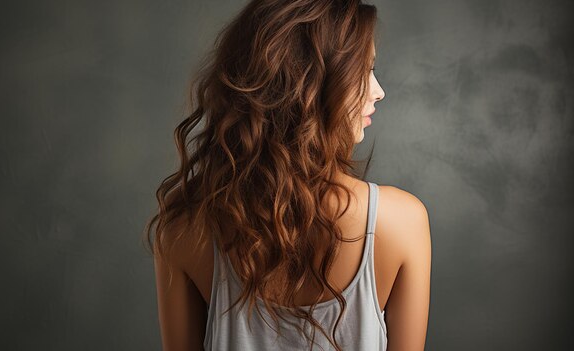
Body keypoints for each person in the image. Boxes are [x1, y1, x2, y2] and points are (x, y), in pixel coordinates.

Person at [143, 0, 431, 350]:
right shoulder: (400, 222)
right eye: (363, 71)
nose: (378, 91)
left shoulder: (186, 228)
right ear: (312, 84)